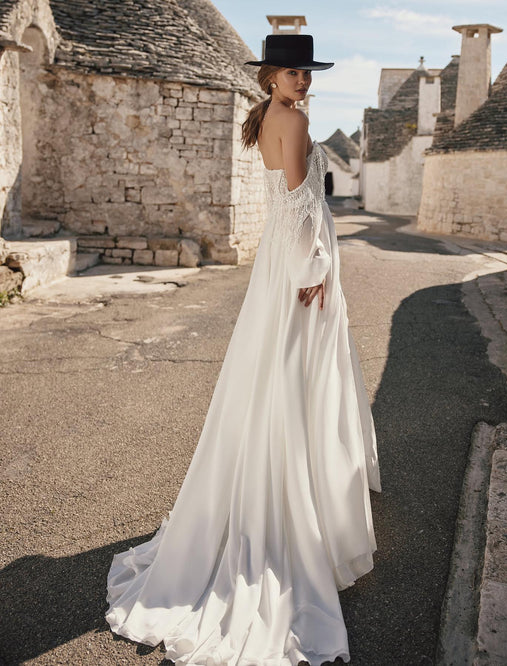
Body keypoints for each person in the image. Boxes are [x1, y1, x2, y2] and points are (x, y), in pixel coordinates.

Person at [105, 34, 381, 665]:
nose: (302, 78)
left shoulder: (265, 120)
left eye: (306, 69)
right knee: (296, 374)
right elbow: (303, 201)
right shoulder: (295, 120)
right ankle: (291, 497)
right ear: (270, 77)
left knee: (277, 373)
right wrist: (314, 271)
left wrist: (302, 260)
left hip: (278, 263)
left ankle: (290, 483)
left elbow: (288, 201)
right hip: (299, 263)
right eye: (291, 70)